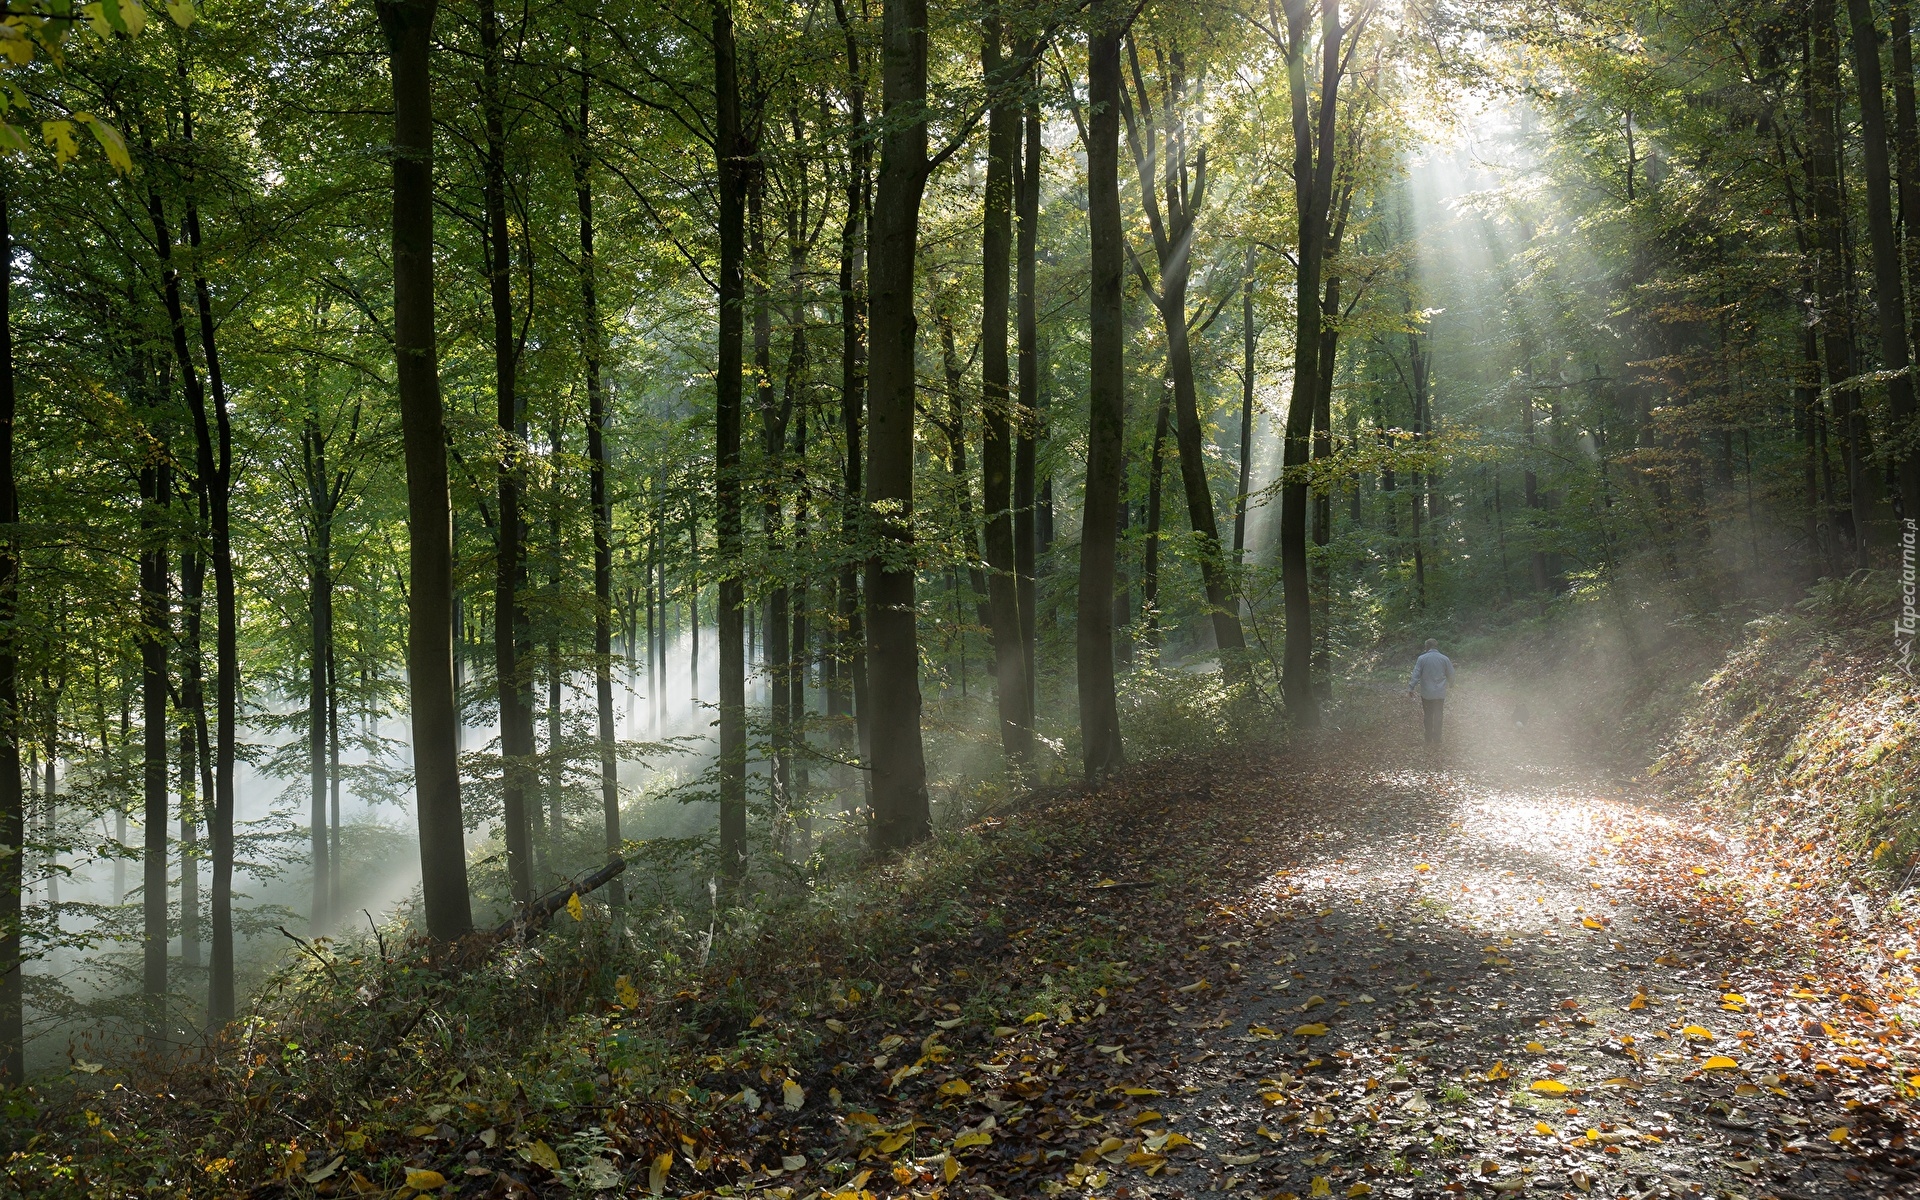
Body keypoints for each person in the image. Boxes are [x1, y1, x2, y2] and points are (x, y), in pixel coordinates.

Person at [1408, 638, 1454, 746]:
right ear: (1436, 646)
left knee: (1428, 715)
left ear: (1426, 647)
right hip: (1439, 693)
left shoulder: (1422, 659)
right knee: (1439, 715)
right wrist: (1451, 683)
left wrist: (1411, 687)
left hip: (1427, 693)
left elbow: (1416, 674)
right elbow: (1451, 673)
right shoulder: (1444, 659)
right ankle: (1437, 738)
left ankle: (1428, 738)